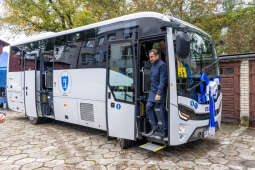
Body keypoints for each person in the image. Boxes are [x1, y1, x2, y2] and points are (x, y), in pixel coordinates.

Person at [145, 49, 168, 138]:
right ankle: (154, 127)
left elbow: (163, 81)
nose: (150, 59)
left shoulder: (162, 65)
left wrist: (159, 93)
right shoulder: (152, 65)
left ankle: (163, 131)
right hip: (152, 91)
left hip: (159, 91)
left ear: (157, 56)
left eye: (152, 57)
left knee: (160, 111)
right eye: (150, 57)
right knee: (148, 107)